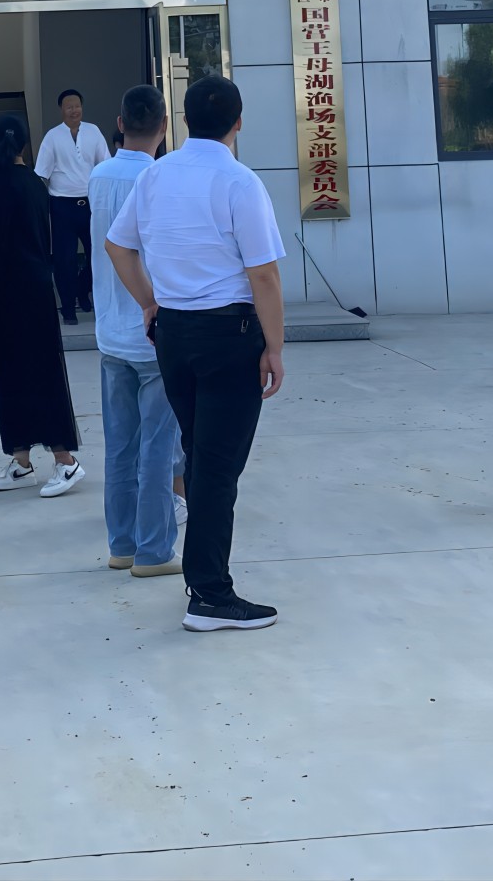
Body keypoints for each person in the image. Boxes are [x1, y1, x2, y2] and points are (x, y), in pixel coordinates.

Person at [104, 73, 287, 632]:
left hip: (174, 336)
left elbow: (118, 245)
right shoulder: (239, 182)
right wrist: (275, 347)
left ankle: (204, 583)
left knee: (200, 454)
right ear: (238, 122)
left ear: (183, 121)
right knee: (216, 468)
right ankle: (210, 594)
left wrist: (149, 302)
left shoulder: (156, 175)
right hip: (228, 336)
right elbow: (263, 275)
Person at [91, 84, 184, 577]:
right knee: (158, 449)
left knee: (120, 447)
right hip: (153, 332)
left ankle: (121, 545)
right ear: (165, 127)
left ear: (120, 124)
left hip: (110, 330)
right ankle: (153, 551)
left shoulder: (98, 176)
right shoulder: (160, 177)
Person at [0, 113, 83, 496]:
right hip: (36, 288)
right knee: (40, 370)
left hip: (9, 291)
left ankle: (65, 461)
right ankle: (22, 462)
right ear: (25, 144)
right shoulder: (35, 183)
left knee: (16, 374)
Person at [35, 89, 110, 324]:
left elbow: (105, 165)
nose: (74, 110)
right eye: (69, 107)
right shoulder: (52, 137)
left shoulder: (93, 131)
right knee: (64, 260)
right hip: (62, 206)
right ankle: (68, 308)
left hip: (90, 204)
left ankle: (82, 288)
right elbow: (41, 174)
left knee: (98, 254)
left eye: (77, 106)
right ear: (61, 109)